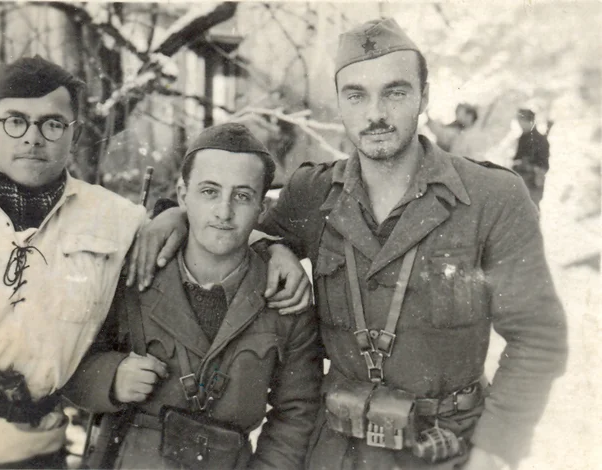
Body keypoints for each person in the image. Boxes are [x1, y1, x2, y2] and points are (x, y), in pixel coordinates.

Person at [137, 18, 568, 470]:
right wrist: (180, 217)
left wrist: (496, 449)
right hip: (334, 452)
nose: (375, 113)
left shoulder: (490, 198)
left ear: (425, 95)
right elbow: (233, 224)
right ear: (340, 102)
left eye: (395, 92)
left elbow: (538, 338)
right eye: (356, 94)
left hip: (446, 449)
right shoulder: (312, 193)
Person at [0, 56, 310, 469]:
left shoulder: (115, 220)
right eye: (15, 120)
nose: (32, 138)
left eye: (51, 123)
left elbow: (211, 231)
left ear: (74, 133)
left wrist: (273, 249)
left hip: (36, 456)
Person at [64, 123, 321, 469]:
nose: (224, 211)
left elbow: (298, 411)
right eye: (210, 192)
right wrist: (112, 378)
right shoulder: (132, 275)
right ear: (183, 195)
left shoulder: (285, 296)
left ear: (262, 206)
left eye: (242, 196)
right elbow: (68, 363)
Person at [512, 108, 550, 207]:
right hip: (521, 180)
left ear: (530, 121)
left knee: (531, 211)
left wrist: (530, 167)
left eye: (522, 120)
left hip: (532, 182)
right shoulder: (522, 138)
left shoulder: (540, 139)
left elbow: (544, 165)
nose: (520, 124)